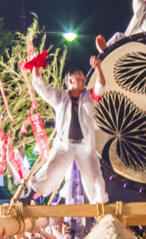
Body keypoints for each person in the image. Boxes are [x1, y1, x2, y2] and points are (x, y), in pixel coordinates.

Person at [29, 56, 109, 204]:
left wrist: (98, 68)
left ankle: (101, 207)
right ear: (70, 81)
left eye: (84, 78)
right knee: (52, 167)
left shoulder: (88, 97)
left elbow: (100, 88)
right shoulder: (59, 97)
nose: (83, 80)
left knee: (94, 175)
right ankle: (31, 195)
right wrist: (35, 66)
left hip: (85, 146)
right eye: (79, 78)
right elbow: (41, 87)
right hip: (64, 145)